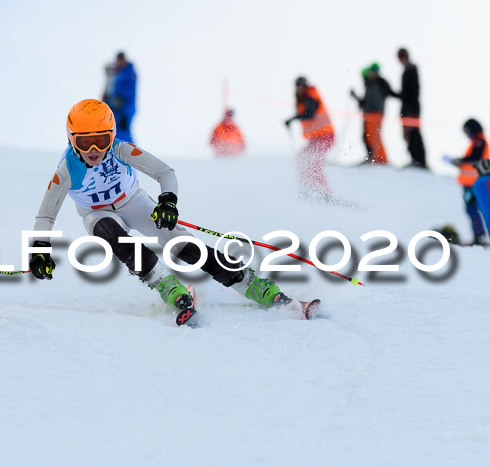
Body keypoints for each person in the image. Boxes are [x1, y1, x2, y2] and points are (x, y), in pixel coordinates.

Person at [28, 99, 292, 324]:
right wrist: (39, 250)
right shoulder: (66, 170)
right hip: (96, 213)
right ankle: (165, 284)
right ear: (72, 140)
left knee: (181, 245)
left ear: (112, 135)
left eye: (101, 140)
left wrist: (168, 202)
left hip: (132, 201)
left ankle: (249, 283)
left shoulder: (119, 150)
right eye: (85, 143)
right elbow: (45, 216)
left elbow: (164, 172)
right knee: (113, 236)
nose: (94, 150)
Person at [285, 76, 335, 200]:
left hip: (325, 137)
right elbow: (304, 113)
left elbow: (310, 113)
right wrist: (292, 119)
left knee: (313, 164)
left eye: (302, 85)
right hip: (315, 139)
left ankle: (324, 193)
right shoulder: (302, 99)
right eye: (297, 85)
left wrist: (293, 119)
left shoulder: (311, 95)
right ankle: (306, 189)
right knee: (301, 159)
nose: (300, 88)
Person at [446, 118, 490, 245]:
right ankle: (479, 235)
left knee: (474, 209)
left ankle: (480, 236)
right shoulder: (476, 142)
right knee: (474, 209)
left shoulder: (479, 141)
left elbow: (475, 158)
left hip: (475, 183)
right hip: (471, 183)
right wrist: (459, 163)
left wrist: (460, 160)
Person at [350, 63, 398, 165]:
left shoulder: (381, 83)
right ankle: (372, 157)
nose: (373, 73)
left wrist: (403, 95)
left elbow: (391, 92)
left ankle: (382, 159)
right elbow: (364, 103)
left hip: (376, 113)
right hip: (368, 114)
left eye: (375, 71)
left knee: (375, 136)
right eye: (372, 71)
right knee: (366, 136)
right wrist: (355, 96)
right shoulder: (369, 85)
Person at [396, 48, 427, 169]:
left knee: (414, 133)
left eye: (402, 56)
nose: (401, 59)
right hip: (407, 108)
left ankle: (419, 160)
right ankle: (415, 158)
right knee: (409, 134)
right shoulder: (407, 71)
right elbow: (404, 94)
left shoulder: (411, 70)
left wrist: (411, 109)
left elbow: (413, 92)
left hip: (411, 108)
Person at [107, 52, 137, 143]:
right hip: (115, 107)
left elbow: (130, 91)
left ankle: (130, 152)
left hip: (125, 108)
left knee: (123, 130)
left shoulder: (129, 73)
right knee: (115, 129)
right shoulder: (116, 73)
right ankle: (117, 150)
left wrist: (120, 99)